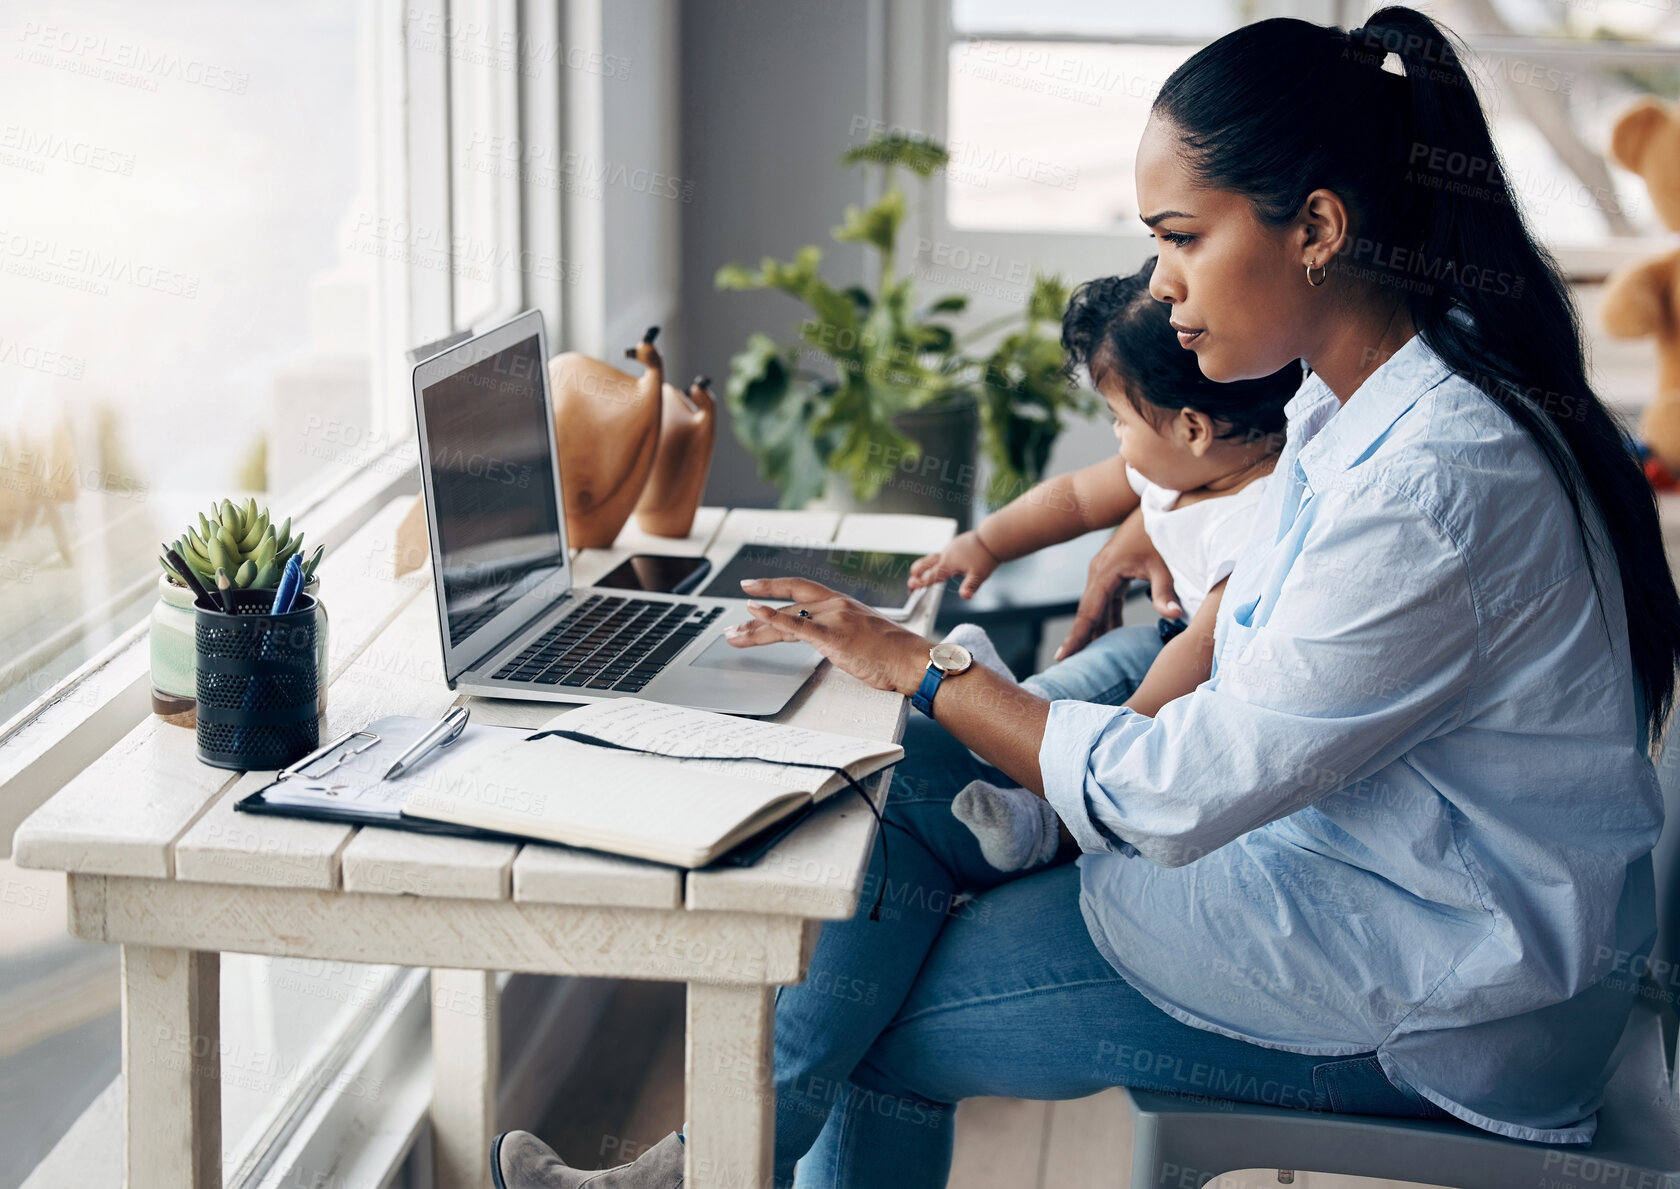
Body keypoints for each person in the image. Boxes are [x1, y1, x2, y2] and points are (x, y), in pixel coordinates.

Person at [491, 7, 1680, 1187]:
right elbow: (1261, 636)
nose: (1160, 288)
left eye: (1181, 237)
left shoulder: (1435, 481)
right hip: (1367, 879)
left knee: (870, 1019)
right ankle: (699, 1168)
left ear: (1317, 227)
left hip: (1447, 998)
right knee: (904, 785)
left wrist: (925, 665)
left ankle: (703, 1168)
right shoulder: (1373, 388)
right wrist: (1092, 572)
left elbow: (1177, 792)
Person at [907, 259, 1300, 869]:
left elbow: (1200, 651)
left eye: (1119, 419)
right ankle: (1014, 709)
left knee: (1110, 710)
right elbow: (1075, 499)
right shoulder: (1176, 465)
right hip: (1160, 641)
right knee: (1074, 683)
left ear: (1193, 427)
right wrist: (986, 544)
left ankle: (1041, 822)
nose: (1117, 438)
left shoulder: (1256, 518)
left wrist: (1121, 738)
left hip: (1200, 685)